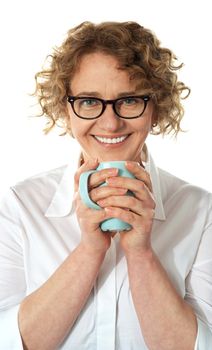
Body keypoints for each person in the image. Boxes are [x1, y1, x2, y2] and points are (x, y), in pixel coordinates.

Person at [0, 21, 211, 350]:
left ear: (155, 109)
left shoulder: (199, 211)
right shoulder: (20, 204)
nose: (110, 122)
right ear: (65, 108)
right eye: (88, 101)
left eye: (129, 100)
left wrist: (140, 254)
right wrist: (89, 250)